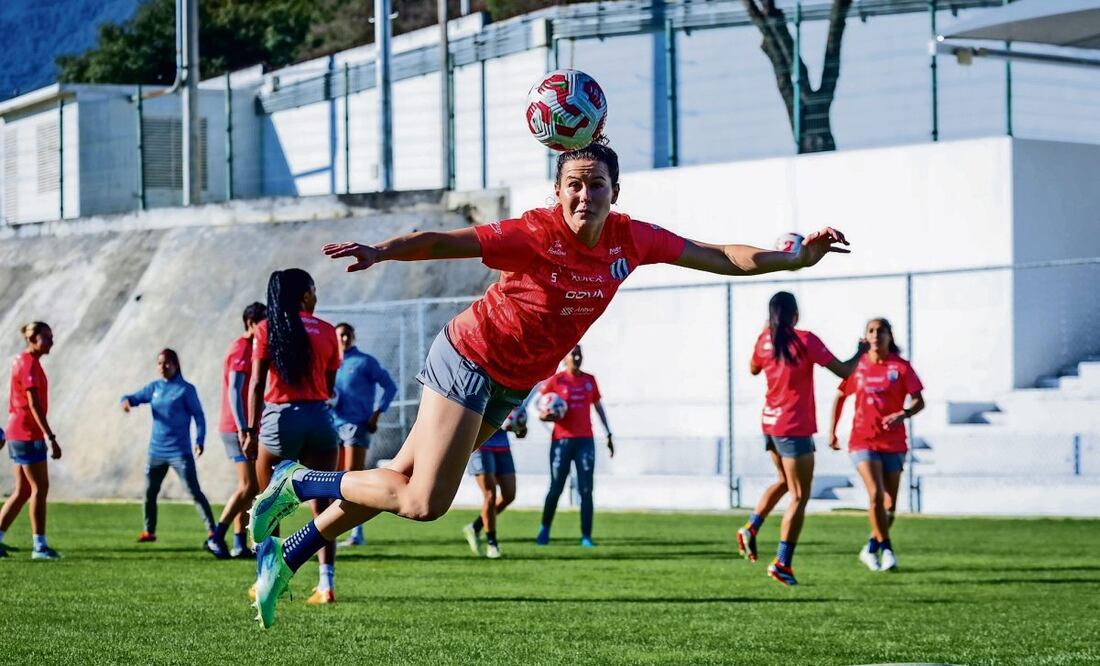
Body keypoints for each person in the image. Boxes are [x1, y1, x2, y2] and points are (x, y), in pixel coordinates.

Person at [247, 140, 851, 628]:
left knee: (389, 484)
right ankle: (299, 481)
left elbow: (717, 254)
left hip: (512, 383)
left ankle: (285, 554)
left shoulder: (631, 238)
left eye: (597, 184)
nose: (585, 193)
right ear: (557, 191)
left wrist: (789, 260)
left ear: (616, 192)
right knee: (423, 502)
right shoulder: (535, 232)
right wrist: (383, 251)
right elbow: (444, 243)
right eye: (574, 184)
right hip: (470, 355)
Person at [736, 292, 864, 586]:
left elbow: (753, 369)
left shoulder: (763, 340)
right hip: (794, 427)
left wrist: (765, 333)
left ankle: (752, 527)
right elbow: (843, 371)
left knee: (784, 482)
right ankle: (782, 563)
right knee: (799, 495)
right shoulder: (805, 340)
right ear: (795, 314)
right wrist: (859, 351)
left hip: (769, 425)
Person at [243, 268, 342, 605]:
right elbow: (329, 386)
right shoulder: (328, 331)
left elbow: (256, 384)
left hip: (280, 420)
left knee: (267, 506)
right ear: (304, 296)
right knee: (324, 506)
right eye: (314, 291)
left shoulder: (266, 328)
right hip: (319, 419)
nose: (317, 297)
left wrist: (250, 430)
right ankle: (326, 584)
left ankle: (266, 581)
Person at [829, 317, 924, 572]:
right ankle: (888, 550)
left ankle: (871, 546)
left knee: (890, 504)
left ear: (889, 336)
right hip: (862, 441)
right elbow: (840, 396)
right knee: (875, 494)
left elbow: (919, 401)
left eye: (880, 331)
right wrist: (833, 432)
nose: (875, 335)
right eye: (870, 330)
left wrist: (903, 414)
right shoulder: (858, 366)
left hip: (894, 443)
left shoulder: (901, 367)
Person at [121, 349, 219, 555]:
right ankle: (149, 531)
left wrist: (199, 440)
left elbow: (199, 416)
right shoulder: (154, 388)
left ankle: (212, 530)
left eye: (166, 363)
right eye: (159, 363)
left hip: (180, 452)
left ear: (175, 364)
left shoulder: (185, 389)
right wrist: (125, 401)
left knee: (194, 491)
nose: (162, 367)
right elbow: (133, 397)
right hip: (156, 451)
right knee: (149, 492)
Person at [535, 345, 613, 548]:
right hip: (561, 441)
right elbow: (539, 405)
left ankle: (586, 536)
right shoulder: (557, 380)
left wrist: (608, 433)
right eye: (573, 354)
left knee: (586, 489)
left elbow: (598, 407)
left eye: (579, 354)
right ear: (565, 358)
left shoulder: (589, 380)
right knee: (556, 487)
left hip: (585, 441)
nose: (577, 357)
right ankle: (544, 529)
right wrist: (544, 416)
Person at [208, 302, 267, 559]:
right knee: (248, 485)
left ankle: (238, 542)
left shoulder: (254, 347)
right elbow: (235, 390)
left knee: (250, 487)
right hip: (237, 428)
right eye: (262, 322)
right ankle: (215, 536)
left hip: (245, 427)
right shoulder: (241, 348)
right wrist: (244, 428)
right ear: (250, 323)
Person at [331, 322, 397, 547]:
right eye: (340, 335)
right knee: (334, 479)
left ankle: (356, 533)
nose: (344, 339)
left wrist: (377, 414)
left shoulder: (364, 362)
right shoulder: (329, 362)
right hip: (332, 425)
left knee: (352, 478)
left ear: (353, 337)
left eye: (347, 335)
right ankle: (333, 529)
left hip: (356, 425)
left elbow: (390, 386)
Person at [0, 322, 62, 560]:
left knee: (23, 490)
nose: (51, 342)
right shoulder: (28, 363)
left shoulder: (24, 361)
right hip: (27, 433)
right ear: (33, 338)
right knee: (40, 488)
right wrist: (50, 436)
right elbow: (33, 403)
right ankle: (40, 546)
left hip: (17, 431)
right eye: (47, 337)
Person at [461, 398, 531, 559]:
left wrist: (519, 427)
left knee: (509, 495)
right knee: (490, 495)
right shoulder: (481, 386)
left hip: (502, 445)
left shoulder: (509, 388)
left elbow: (513, 415)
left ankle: (475, 527)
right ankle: (492, 543)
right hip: (480, 445)